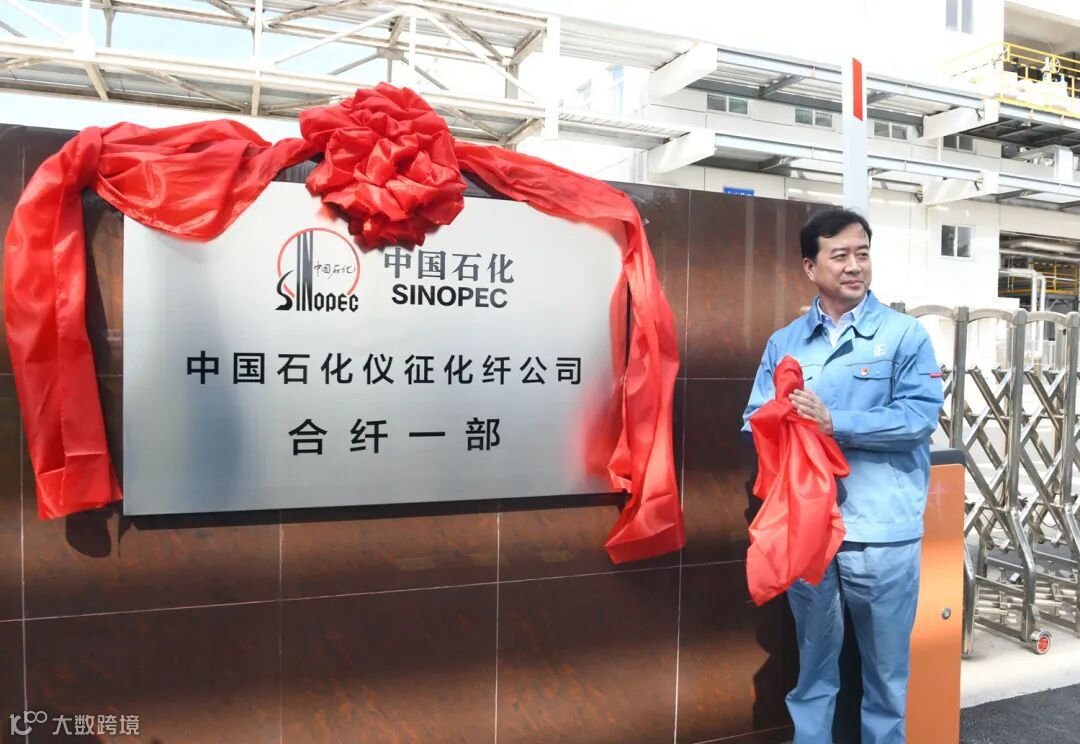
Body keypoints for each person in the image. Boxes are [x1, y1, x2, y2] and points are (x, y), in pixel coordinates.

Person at [742, 207, 944, 744]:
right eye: (840, 255)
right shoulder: (786, 342)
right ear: (811, 267)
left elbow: (919, 417)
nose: (855, 266)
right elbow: (754, 418)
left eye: (863, 253)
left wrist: (836, 423)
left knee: (885, 675)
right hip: (807, 531)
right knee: (813, 670)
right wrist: (781, 419)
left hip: (880, 532)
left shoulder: (904, 336)